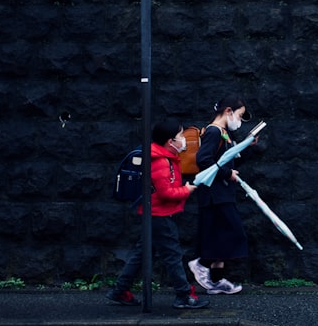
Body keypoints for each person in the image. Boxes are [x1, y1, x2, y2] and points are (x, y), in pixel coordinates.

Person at [106, 119, 209, 309]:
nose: (184, 140)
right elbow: (166, 193)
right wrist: (187, 191)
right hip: (160, 215)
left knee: (140, 254)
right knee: (172, 255)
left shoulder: (159, 157)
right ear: (170, 142)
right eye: (180, 136)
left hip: (152, 213)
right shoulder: (161, 162)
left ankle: (120, 290)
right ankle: (184, 295)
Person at [188, 96, 253, 295]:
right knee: (232, 233)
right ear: (228, 111)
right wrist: (227, 173)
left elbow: (224, 160)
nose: (239, 120)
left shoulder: (222, 133)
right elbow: (204, 159)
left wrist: (246, 145)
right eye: (239, 115)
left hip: (221, 192)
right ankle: (201, 263)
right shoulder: (214, 132)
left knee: (219, 235)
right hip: (215, 194)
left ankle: (216, 281)